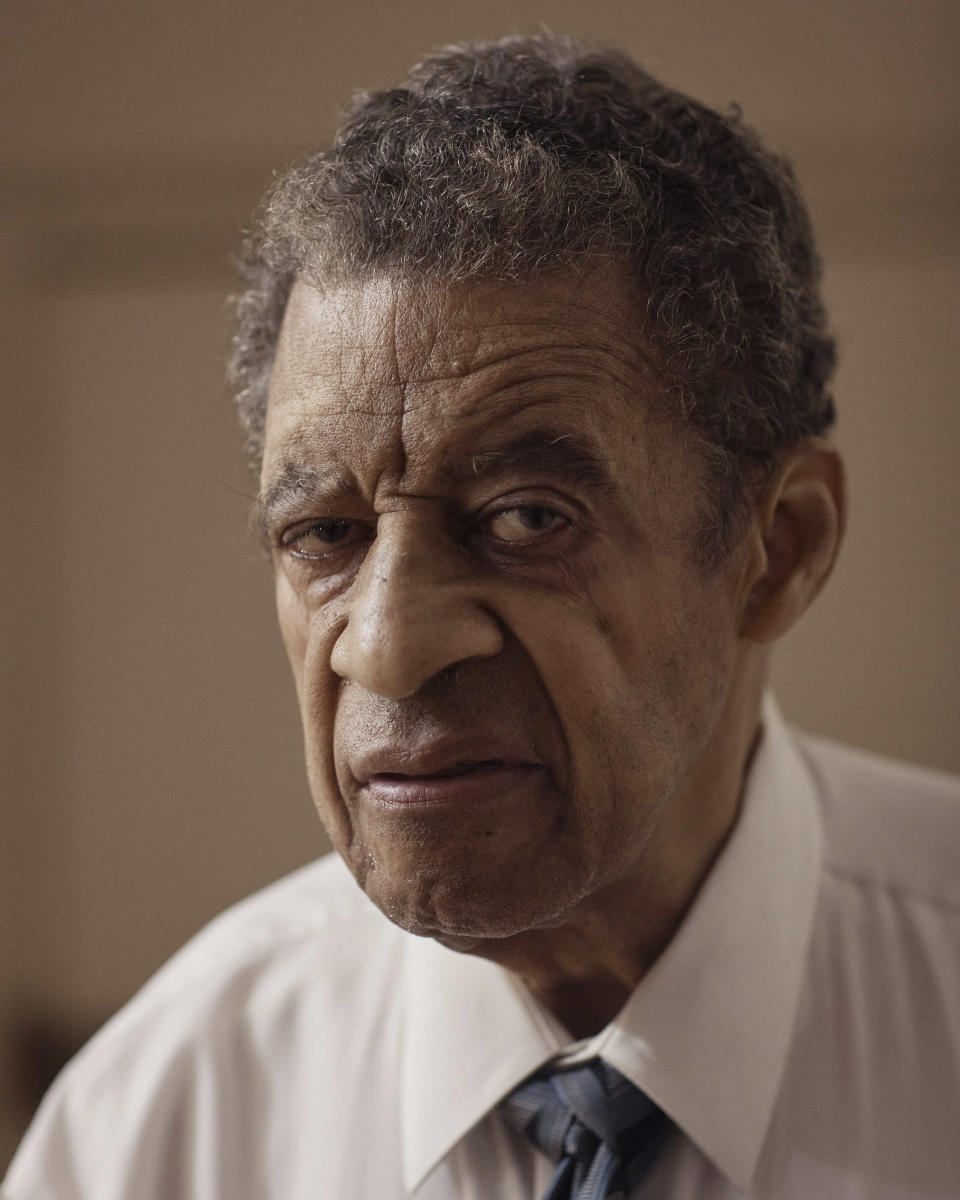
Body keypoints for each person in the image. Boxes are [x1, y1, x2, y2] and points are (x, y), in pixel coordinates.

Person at [4, 32, 959, 1200]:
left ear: (782, 548)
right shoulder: (157, 1127)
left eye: (524, 519)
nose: (391, 647)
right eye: (325, 536)